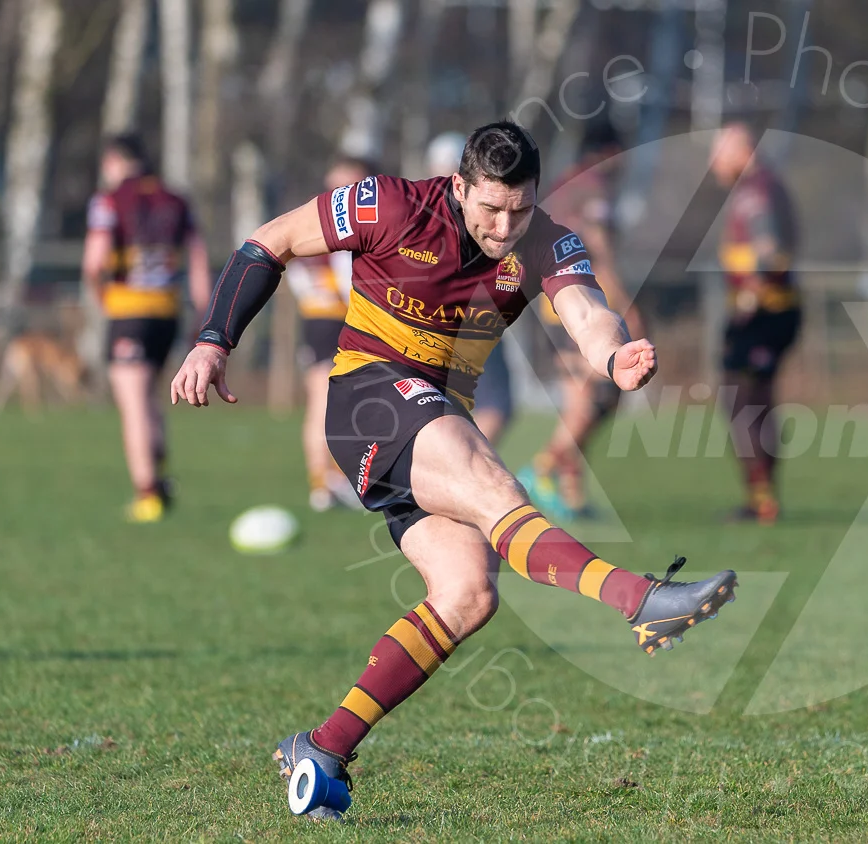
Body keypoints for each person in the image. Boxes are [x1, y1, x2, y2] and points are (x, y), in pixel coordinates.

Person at [168, 122, 738, 819]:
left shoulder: (545, 240)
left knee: (469, 594)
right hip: (369, 401)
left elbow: (587, 312)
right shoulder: (389, 205)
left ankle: (323, 746)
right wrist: (212, 341)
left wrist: (614, 357)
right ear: (459, 186)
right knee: (499, 488)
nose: (504, 225)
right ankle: (637, 601)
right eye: (490, 207)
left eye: (519, 208)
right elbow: (270, 241)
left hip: (437, 416)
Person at [518, 122, 645, 521]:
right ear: (611, 152)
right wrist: (626, 305)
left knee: (586, 398)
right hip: (577, 301)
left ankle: (571, 493)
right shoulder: (594, 187)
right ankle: (541, 470)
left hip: (552, 300)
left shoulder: (565, 182)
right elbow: (600, 253)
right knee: (590, 397)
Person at [83, 134, 210, 523]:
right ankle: (159, 476)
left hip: (128, 312)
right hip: (167, 313)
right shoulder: (176, 200)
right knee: (150, 397)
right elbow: (199, 261)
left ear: (115, 162)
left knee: (133, 403)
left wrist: (101, 295)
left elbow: (94, 262)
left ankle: (147, 492)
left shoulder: (109, 200)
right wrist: (204, 317)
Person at [710, 122, 801, 524]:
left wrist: (749, 297)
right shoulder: (764, 185)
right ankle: (763, 496)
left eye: (719, 154)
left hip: (765, 311)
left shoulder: (754, 191)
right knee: (754, 400)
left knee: (744, 402)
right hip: (773, 309)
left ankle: (762, 498)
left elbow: (768, 250)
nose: (713, 164)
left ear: (741, 153)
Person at [286, 157, 372, 511]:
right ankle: (326, 482)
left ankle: (329, 482)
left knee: (332, 401)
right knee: (327, 401)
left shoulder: (315, 216)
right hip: (337, 319)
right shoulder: (343, 220)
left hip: (322, 318)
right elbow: (341, 273)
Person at [429, 132, 518, 444]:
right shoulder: (479, 214)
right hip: (472, 322)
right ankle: (463, 471)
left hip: (428, 326)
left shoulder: (420, 211)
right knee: (497, 405)